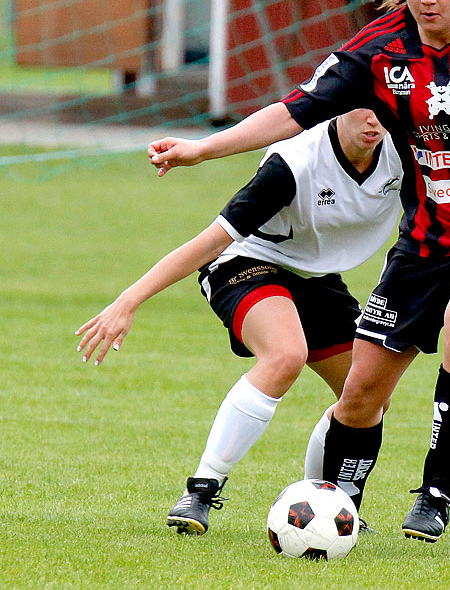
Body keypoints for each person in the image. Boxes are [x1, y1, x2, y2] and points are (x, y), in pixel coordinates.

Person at [147, 0, 450, 542]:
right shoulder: (380, 50)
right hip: (426, 242)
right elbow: (290, 110)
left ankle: (435, 496)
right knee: (359, 395)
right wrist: (202, 149)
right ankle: (336, 509)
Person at [76, 109, 402, 535]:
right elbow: (209, 242)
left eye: (381, 106)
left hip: (316, 278)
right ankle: (200, 491)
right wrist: (129, 300)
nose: (372, 120)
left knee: (368, 392)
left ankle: (332, 506)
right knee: (285, 355)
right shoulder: (294, 163)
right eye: (360, 106)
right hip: (246, 261)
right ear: (334, 104)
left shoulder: (404, 154)